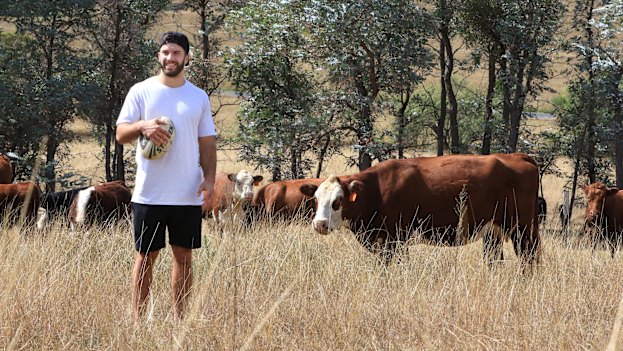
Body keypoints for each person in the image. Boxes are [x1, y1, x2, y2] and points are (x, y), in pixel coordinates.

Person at [116, 31, 217, 321]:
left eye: (176, 53)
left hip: (187, 194)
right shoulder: (141, 91)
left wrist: (209, 180)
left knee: (184, 259)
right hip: (149, 193)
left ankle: (179, 321)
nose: (169, 58)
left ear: (187, 57)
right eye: (165, 52)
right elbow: (122, 133)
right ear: (159, 56)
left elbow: (207, 143)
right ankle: (138, 321)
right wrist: (143, 126)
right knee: (145, 257)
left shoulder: (198, 97)